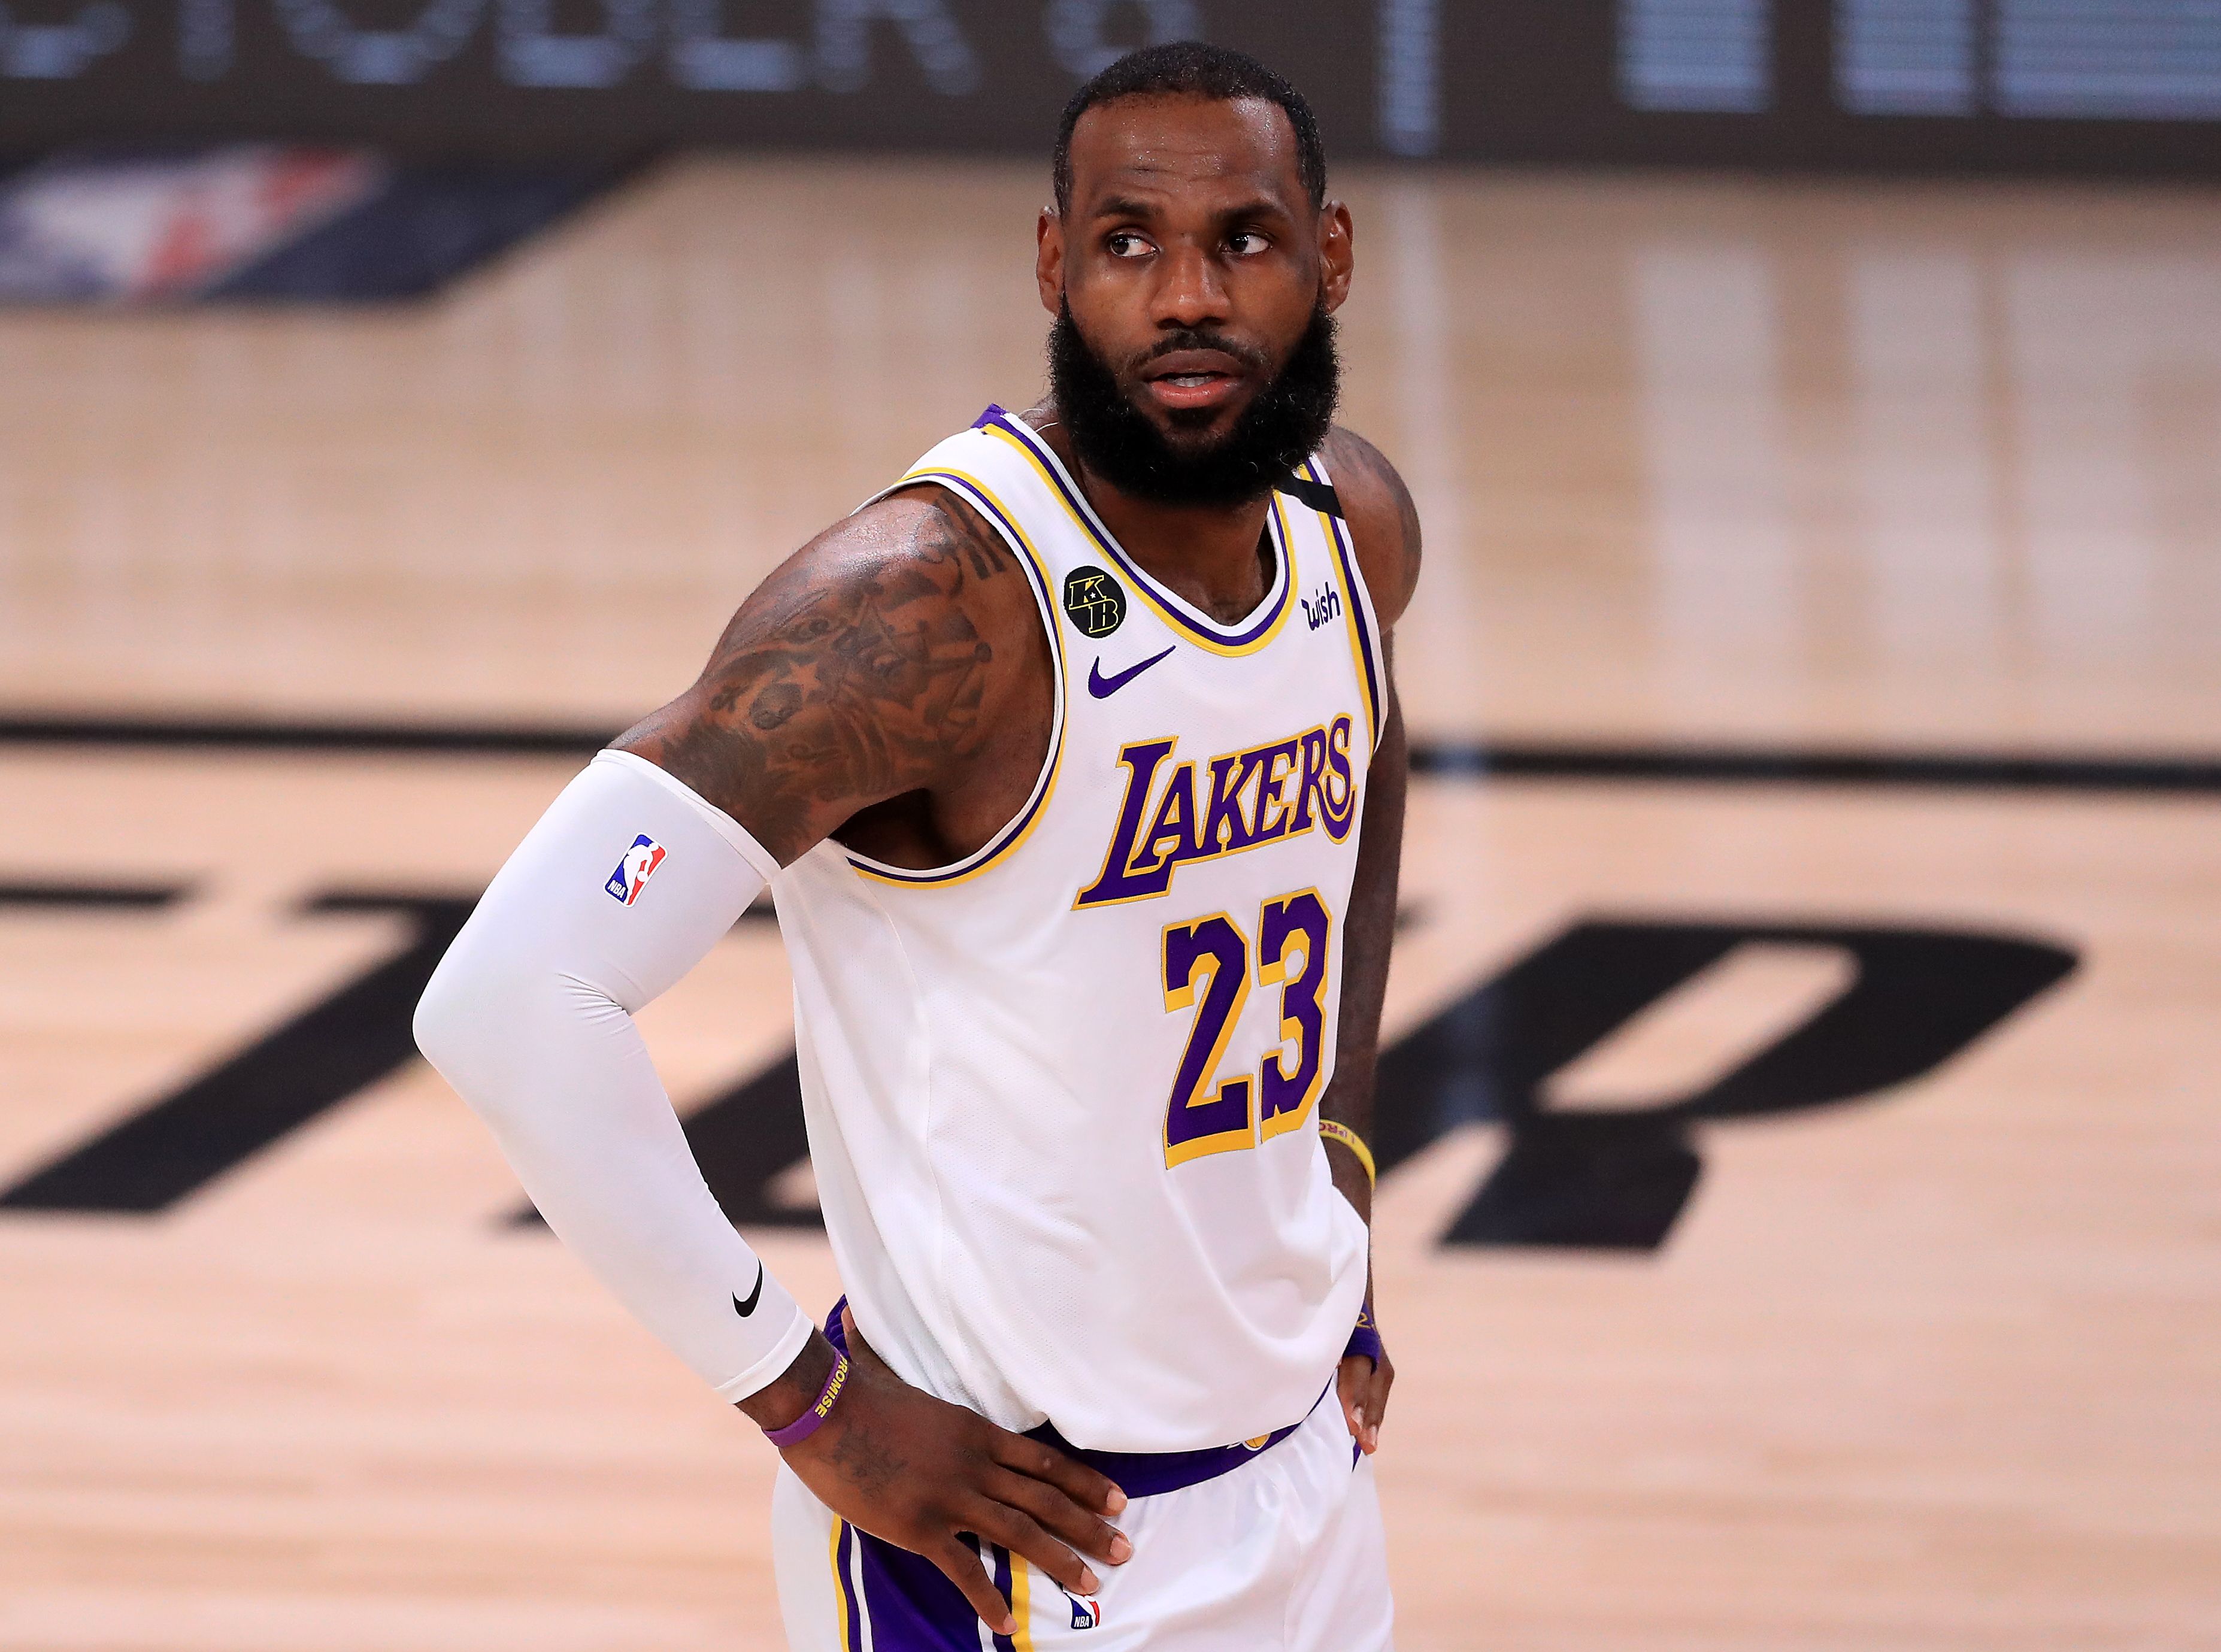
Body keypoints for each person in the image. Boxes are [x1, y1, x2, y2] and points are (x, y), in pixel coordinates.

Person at [414, 40, 1420, 1651]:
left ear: (1333, 257)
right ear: (1052, 262)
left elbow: (1365, 783)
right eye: (1126, 242)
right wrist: (805, 1401)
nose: (1185, 296)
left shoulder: (1347, 538)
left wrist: (1340, 1173)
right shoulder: (926, 607)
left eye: (1241, 238)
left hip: (1307, 1493)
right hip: (1020, 1549)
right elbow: (514, 996)